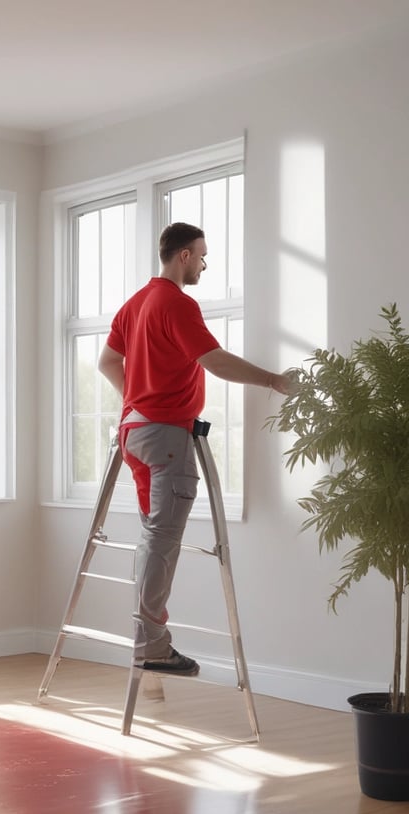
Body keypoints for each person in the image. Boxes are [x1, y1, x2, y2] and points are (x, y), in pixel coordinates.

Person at [98, 222, 296, 676]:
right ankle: (152, 646)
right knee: (160, 541)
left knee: (153, 536)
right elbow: (214, 360)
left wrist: (136, 399)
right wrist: (272, 380)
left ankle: (148, 639)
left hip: (134, 431)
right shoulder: (177, 303)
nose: (205, 265)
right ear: (183, 255)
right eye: (202, 256)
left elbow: (107, 361)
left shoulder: (135, 304)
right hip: (165, 436)